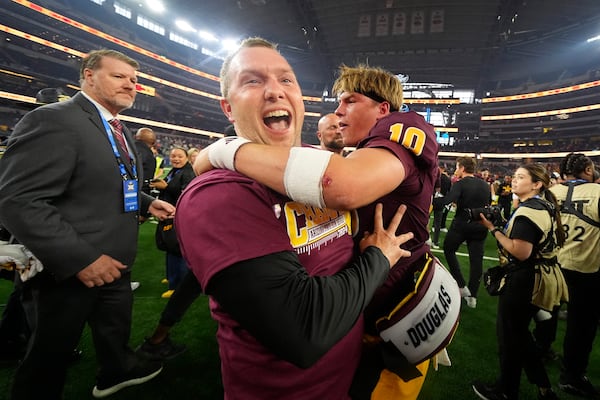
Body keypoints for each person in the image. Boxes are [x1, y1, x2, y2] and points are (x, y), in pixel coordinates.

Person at [199, 63, 460, 400]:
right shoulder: (366, 150)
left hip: (396, 307)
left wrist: (223, 150)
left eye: (350, 101)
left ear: (382, 109)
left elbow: (341, 185)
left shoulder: (404, 125)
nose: (338, 112)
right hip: (370, 304)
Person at [0, 49, 176, 399]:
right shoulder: (54, 119)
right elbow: (18, 200)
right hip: (68, 270)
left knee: (114, 333)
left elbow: (103, 180)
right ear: (89, 75)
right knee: (48, 359)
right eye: (120, 76)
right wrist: (81, 259)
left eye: (134, 80)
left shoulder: (118, 128)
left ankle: (116, 371)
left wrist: (145, 201)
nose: (131, 84)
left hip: (116, 262)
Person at [472, 163, 567, 400]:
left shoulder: (529, 211)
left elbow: (520, 251)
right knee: (521, 336)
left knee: (510, 338)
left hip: (525, 278)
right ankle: (544, 388)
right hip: (539, 275)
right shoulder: (542, 205)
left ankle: (506, 391)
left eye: (521, 177)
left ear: (537, 184)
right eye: (514, 176)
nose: (514, 180)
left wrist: (493, 229)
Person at [549, 153, 600, 398]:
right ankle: (572, 375)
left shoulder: (551, 193)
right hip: (585, 268)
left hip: (552, 265)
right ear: (588, 169)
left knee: (546, 312)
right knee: (581, 326)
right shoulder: (597, 193)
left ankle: (542, 349)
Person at [434, 156, 492, 309]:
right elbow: (489, 204)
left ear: (462, 168)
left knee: (448, 248)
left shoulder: (460, 184)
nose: (456, 170)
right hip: (480, 225)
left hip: (462, 224)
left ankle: (461, 284)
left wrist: (430, 200)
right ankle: (472, 296)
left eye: (457, 167)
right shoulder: (485, 185)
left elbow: (447, 201)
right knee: (476, 261)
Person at [150, 146, 196, 299]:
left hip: (179, 217)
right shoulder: (175, 171)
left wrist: (166, 187)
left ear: (187, 158)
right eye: (173, 156)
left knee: (177, 250)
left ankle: (178, 286)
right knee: (170, 248)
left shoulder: (188, 173)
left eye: (179, 156)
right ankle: (172, 277)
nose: (175, 159)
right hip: (168, 215)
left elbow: (187, 197)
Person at [431, 165, 452, 248]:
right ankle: (435, 242)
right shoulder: (447, 179)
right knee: (438, 223)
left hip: (431, 200)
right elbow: (449, 191)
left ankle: (424, 238)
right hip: (441, 201)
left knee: (425, 219)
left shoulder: (434, 175)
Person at [134, 127, 157, 195]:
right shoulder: (149, 156)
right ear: (153, 143)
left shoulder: (127, 148)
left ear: (136, 137)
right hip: (140, 194)